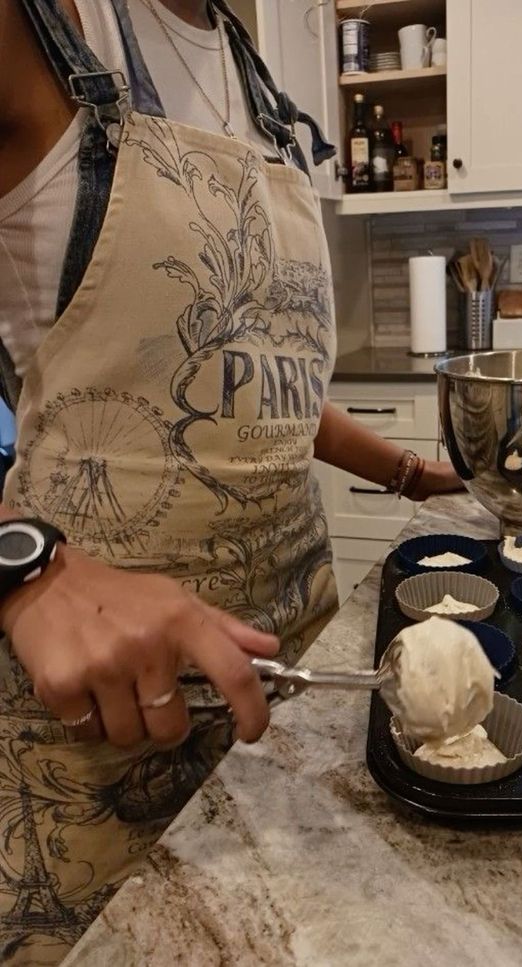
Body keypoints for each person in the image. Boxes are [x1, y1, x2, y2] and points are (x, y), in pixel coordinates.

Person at [0, 1, 461, 961]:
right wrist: (30, 572)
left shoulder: (258, 86)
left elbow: (241, 379)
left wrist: (415, 475)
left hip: (296, 714)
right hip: (104, 750)